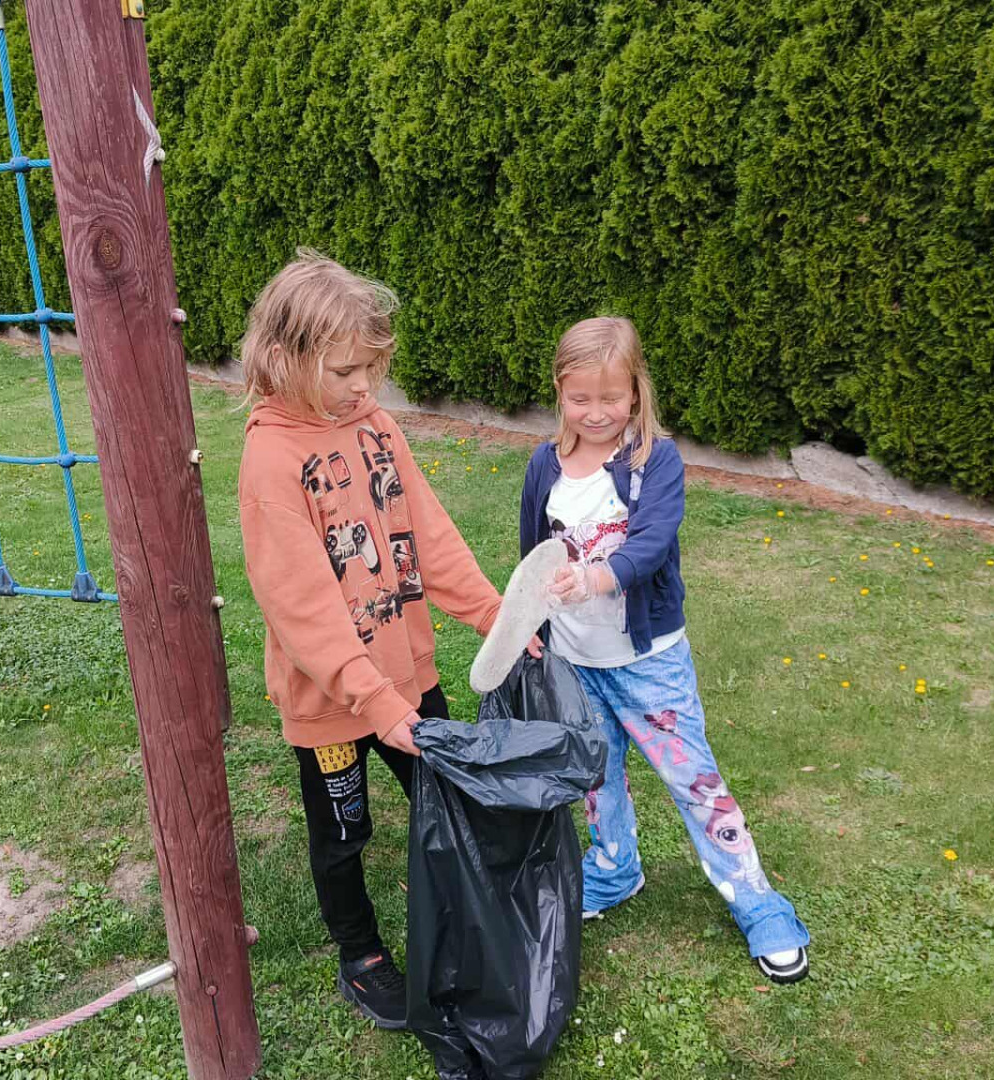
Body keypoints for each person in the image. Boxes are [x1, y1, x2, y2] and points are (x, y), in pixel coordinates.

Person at [237, 249, 534, 1030]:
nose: (364, 385)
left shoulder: (376, 428)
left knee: (447, 798)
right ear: (284, 358)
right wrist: (370, 698)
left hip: (409, 680)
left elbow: (426, 535)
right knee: (342, 835)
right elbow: (301, 606)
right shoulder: (272, 461)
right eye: (345, 370)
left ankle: (472, 915)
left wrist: (495, 617)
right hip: (333, 704)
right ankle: (360, 955)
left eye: (371, 367)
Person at [521, 316, 812, 985]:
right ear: (560, 392)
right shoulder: (543, 465)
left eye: (611, 397)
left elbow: (651, 544)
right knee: (597, 779)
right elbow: (533, 553)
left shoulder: (656, 461)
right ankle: (614, 868)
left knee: (695, 782)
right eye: (580, 398)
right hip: (576, 663)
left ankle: (758, 902)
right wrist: (533, 623)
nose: (597, 413)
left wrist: (595, 578)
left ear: (636, 391)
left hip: (650, 665)